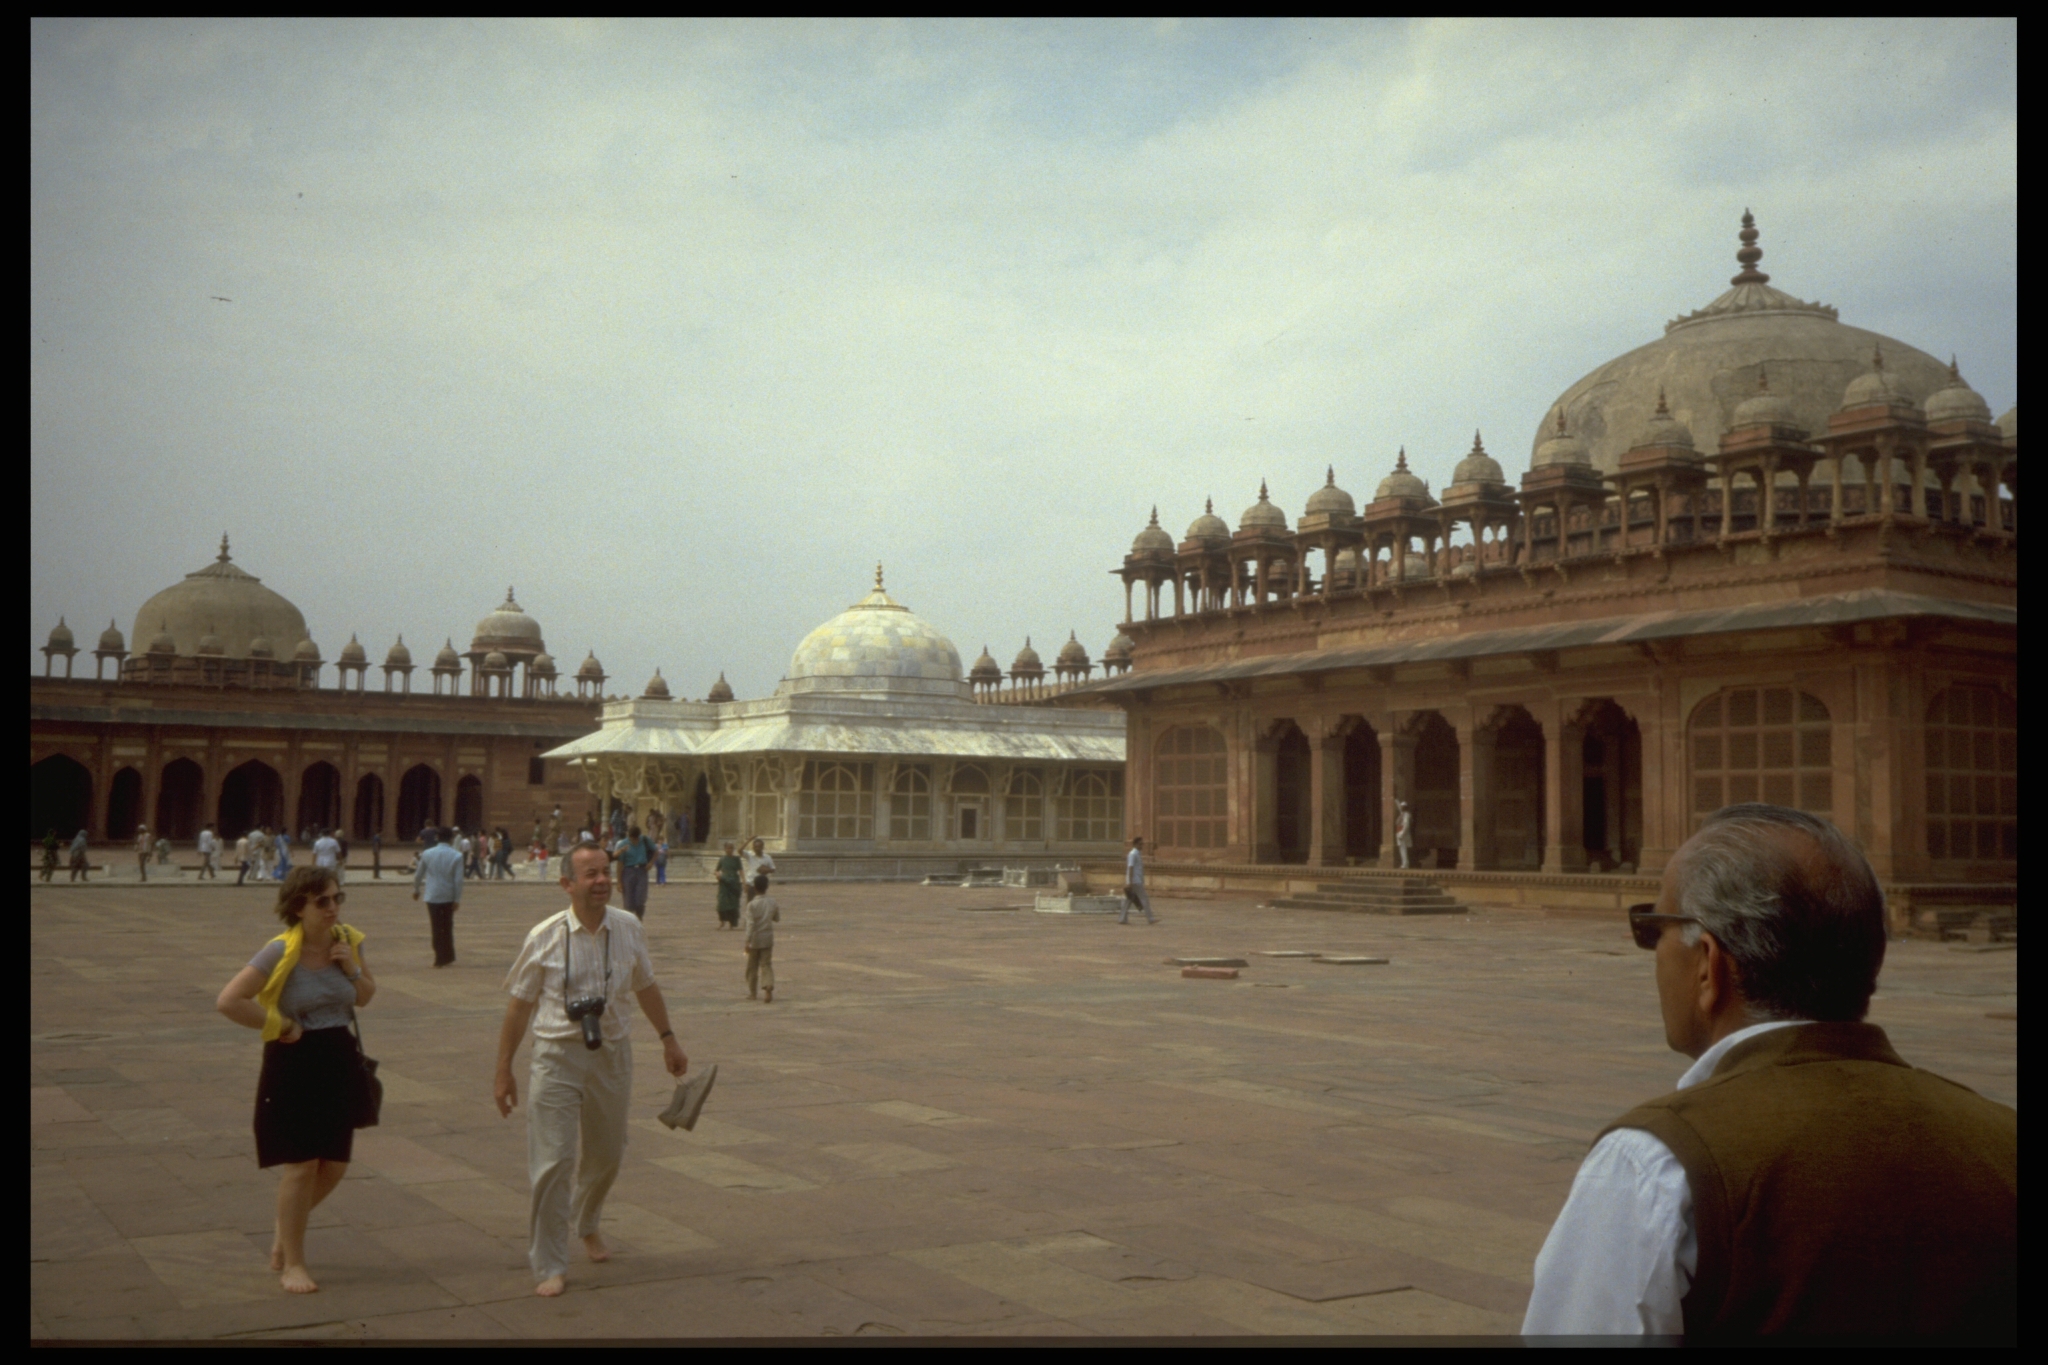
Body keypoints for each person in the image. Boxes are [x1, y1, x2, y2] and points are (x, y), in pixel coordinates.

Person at [1522, 804, 2016, 1342]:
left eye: (1653, 929)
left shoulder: (1658, 1166)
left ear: (1708, 963)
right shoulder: (2000, 1137)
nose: (1652, 951)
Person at [493, 841, 689, 1297]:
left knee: (607, 1153)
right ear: (567, 884)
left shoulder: (628, 927)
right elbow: (518, 1007)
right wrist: (504, 1069)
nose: (602, 881)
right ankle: (549, 1263)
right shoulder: (543, 936)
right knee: (554, 1159)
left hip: (612, 1054)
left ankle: (587, 1221)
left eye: (606, 872)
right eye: (590, 874)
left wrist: (668, 1038)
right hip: (557, 1054)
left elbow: (646, 986)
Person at [213, 865, 375, 1295]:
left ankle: (284, 1228)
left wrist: (352, 969)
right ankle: (294, 1262)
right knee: (301, 1164)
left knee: (335, 1166)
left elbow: (366, 996)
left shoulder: (348, 942)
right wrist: (281, 1025)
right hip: (294, 1060)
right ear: (299, 906)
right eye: (323, 901)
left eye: (337, 898)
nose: (333, 907)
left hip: (339, 1056)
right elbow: (229, 1000)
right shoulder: (278, 951)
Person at [412, 827, 466, 968]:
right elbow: (458, 880)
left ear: (437, 837)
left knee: (436, 926)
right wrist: (457, 899)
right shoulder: (457, 856)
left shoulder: (427, 853)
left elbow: (418, 874)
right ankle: (447, 955)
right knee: (447, 926)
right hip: (448, 896)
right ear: (451, 838)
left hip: (432, 895)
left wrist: (416, 889)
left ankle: (439, 957)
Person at [739, 873, 780, 1003]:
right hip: (768, 938)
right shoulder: (772, 902)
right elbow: (777, 918)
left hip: (755, 939)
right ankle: (768, 986)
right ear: (767, 887)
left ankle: (753, 993)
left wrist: (747, 941)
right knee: (766, 964)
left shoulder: (751, 905)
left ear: (755, 888)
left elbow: (750, 924)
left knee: (752, 967)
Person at [615, 824, 655, 917]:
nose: (634, 841)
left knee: (640, 899)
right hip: (628, 871)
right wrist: (619, 882)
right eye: (632, 839)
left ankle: (639, 920)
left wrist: (651, 863)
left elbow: (655, 851)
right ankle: (629, 922)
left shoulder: (644, 840)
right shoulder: (623, 844)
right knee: (628, 901)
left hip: (642, 871)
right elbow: (620, 864)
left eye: (636, 839)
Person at [1119, 835, 1157, 924]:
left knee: (1128, 900)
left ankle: (1122, 919)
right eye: (1140, 844)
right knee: (1144, 898)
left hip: (1135, 880)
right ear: (1135, 844)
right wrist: (1130, 882)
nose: (1142, 846)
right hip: (1135, 881)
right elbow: (1130, 868)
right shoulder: (1133, 854)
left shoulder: (1136, 854)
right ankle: (1150, 918)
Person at [714, 842, 743, 930]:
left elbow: (741, 870)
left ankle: (732, 923)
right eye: (728, 848)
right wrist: (718, 875)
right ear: (725, 849)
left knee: (733, 904)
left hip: (734, 882)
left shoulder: (737, 859)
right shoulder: (722, 859)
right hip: (724, 882)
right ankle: (722, 921)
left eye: (731, 848)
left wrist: (744, 882)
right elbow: (716, 870)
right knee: (722, 903)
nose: (729, 850)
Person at [1393, 799, 1414, 869]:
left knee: (1403, 849)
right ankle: (1404, 863)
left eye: (1402, 807)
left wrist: (1402, 834)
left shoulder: (1406, 815)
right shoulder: (1403, 814)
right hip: (1399, 833)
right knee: (1402, 849)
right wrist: (1396, 801)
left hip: (1403, 834)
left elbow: (1406, 825)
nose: (1401, 808)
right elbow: (1399, 807)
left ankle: (1405, 864)